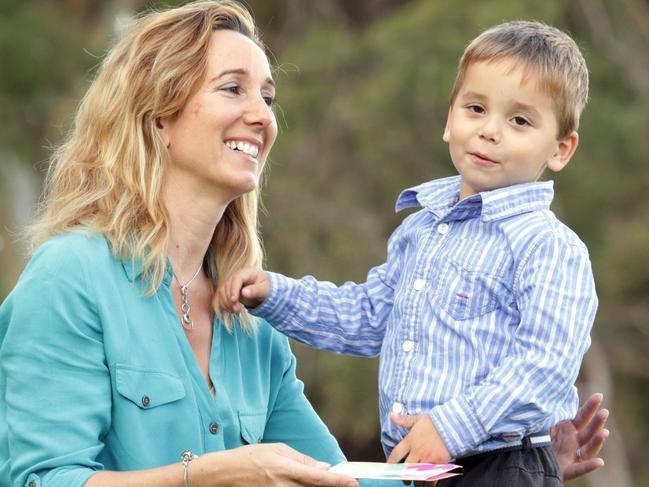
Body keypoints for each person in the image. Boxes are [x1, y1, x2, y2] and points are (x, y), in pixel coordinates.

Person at [0, 3, 606, 486]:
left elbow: (335, 481)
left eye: (268, 96)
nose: (261, 115)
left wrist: (501, 454)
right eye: (232, 88)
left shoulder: (250, 321)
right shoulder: (70, 277)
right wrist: (210, 477)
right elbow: (42, 479)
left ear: (561, 148)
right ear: (157, 115)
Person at [220, 21, 600, 486]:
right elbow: (367, 315)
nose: (489, 131)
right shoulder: (420, 229)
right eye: (475, 109)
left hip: (500, 465)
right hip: (420, 466)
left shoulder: (550, 246)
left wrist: (450, 426)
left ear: (561, 148)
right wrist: (276, 295)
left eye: (519, 121)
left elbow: (543, 367)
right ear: (449, 119)